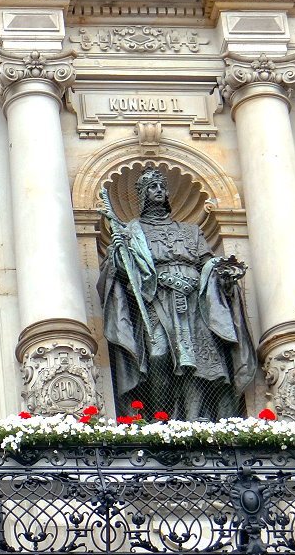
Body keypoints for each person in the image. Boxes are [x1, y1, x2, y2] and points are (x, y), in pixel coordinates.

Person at [97, 165, 256, 420]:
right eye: (152, 187)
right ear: (143, 194)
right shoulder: (132, 232)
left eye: (162, 186)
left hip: (194, 302)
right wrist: (117, 253)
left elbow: (207, 262)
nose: (159, 190)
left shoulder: (191, 231)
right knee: (158, 355)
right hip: (157, 299)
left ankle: (193, 418)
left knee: (197, 362)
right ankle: (161, 416)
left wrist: (223, 272)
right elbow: (122, 274)